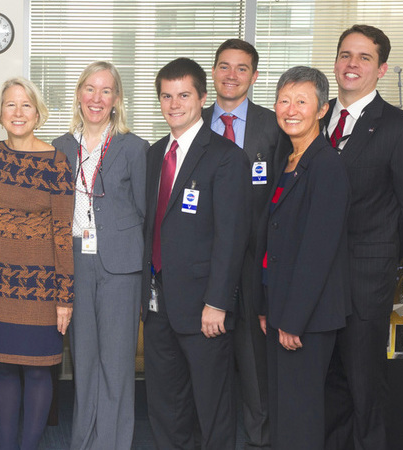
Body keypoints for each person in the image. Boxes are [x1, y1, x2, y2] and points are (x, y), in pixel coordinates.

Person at [142, 57, 250, 450]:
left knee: (212, 407)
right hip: (157, 306)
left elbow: (232, 237)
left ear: (203, 98)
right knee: (167, 405)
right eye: (166, 96)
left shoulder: (225, 157)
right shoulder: (154, 154)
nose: (174, 104)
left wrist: (218, 302)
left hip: (205, 309)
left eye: (183, 95)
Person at [0, 77, 74, 450]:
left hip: (40, 287)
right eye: (11, 105)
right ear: (1, 112)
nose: (18, 112)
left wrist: (65, 297)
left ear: (38, 113)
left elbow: (62, 233)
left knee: (36, 370)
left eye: (26, 105)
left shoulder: (56, 162)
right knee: (2, 367)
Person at [51, 61, 148, 450]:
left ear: (117, 99)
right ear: (78, 94)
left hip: (121, 266)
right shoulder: (58, 148)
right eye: (90, 89)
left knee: (117, 365)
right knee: (84, 363)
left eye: (106, 91)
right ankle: (83, 441)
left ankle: (111, 443)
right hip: (75, 262)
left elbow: (144, 212)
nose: (96, 98)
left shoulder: (134, 147)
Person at [323, 24, 403, 450]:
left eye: (363, 58)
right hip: (318, 286)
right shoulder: (315, 118)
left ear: (381, 69)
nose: (351, 64)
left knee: (365, 390)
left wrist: (390, 264)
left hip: (366, 283)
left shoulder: (398, 126)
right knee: (330, 390)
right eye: (345, 55)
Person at [255, 66, 351, 450]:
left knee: (300, 415)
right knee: (283, 410)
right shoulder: (290, 160)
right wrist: (267, 307)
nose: (290, 109)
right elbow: (274, 244)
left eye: (302, 101)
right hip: (282, 309)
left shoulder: (326, 166)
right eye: (283, 100)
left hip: (307, 318)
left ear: (322, 109)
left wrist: (293, 320)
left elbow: (317, 253)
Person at [202, 38, 284, 450]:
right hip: (205, 264)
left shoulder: (275, 127)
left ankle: (259, 442)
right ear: (213, 72)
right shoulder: (190, 120)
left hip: (256, 264)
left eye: (241, 68)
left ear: (253, 76)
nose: (231, 75)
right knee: (209, 368)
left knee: (254, 368)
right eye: (223, 66)